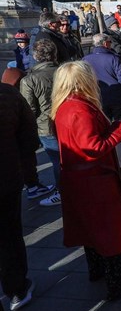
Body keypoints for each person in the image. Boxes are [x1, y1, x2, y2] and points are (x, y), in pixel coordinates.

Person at [50, 61, 121, 300]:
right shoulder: (78, 109)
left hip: (78, 178)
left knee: (90, 229)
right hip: (93, 179)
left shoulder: (64, 106)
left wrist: (112, 125)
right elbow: (93, 147)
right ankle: (119, 284)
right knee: (107, 231)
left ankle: (97, 270)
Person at [0, 82, 40, 311]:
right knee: (9, 235)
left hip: (7, 179)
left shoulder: (8, 94)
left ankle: (17, 288)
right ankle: (16, 287)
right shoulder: (7, 94)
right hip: (6, 180)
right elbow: (29, 138)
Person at [19, 39, 61, 207]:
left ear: (35, 56)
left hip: (46, 126)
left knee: (58, 161)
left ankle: (61, 191)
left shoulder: (29, 80)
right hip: (66, 122)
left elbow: (29, 110)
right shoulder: (63, 71)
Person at [83, 33, 121, 121]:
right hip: (116, 96)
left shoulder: (85, 59)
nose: (111, 44)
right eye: (110, 42)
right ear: (105, 43)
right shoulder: (113, 58)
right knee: (119, 122)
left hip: (97, 96)